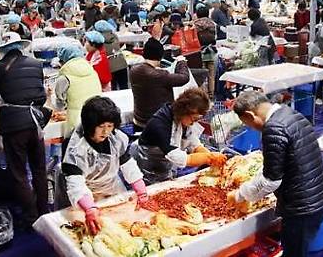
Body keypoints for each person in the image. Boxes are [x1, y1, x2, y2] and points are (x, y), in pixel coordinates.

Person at [228, 90, 323, 257]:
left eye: (247, 124)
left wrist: (240, 195)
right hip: (318, 199)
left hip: (302, 209)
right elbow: (280, 163)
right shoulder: (290, 113)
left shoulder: (273, 128)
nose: (251, 128)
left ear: (250, 115)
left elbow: (270, 181)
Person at [60, 97, 148, 235]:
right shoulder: (75, 148)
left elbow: (127, 163)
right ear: (90, 125)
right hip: (84, 193)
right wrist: (89, 208)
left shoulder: (116, 137)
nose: (106, 132)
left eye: (110, 126)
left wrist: (140, 188)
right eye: (101, 127)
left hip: (110, 186)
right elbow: (76, 184)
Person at [0, 32, 50, 227]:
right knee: (39, 169)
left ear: (2, 50)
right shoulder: (36, 64)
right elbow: (40, 95)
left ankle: (31, 216)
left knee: (19, 172)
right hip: (35, 122)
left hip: (14, 125)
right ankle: (44, 209)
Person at [133, 88, 226, 184]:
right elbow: (177, 157)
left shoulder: (183, 119)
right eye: (194, 119)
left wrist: (210, 155)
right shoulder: (159, 124)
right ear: (185, 111)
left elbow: (193, 143)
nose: (194, 123)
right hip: (149, 163)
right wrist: (208, 158)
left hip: (166, 163)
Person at [129, 39, 190, 132]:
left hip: (139, 121)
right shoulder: (159, 75)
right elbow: (184, 77)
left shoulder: (134, 70)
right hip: (158, 124)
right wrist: (181, 61)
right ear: (161, 56)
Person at [53, 45, 102, 130]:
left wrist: (50, 97)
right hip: (97, 118)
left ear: (63, 61)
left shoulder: (64, 78)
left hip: (76, 123)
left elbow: (59, 107)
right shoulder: (92, 71)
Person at [94, 20, 129, 90]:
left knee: (113, 89)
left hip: (110, 66)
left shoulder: (98, 39)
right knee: (124, 87)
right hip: (122, 63)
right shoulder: (114, 36)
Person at [193, 5, 217, 97]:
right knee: (211, 75)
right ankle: (211, 93)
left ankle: (203, 95)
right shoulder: (213, 23)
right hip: (211, 51)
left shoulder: (196, 24)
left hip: (201, 51)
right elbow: (215, 37)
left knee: (201, 75)